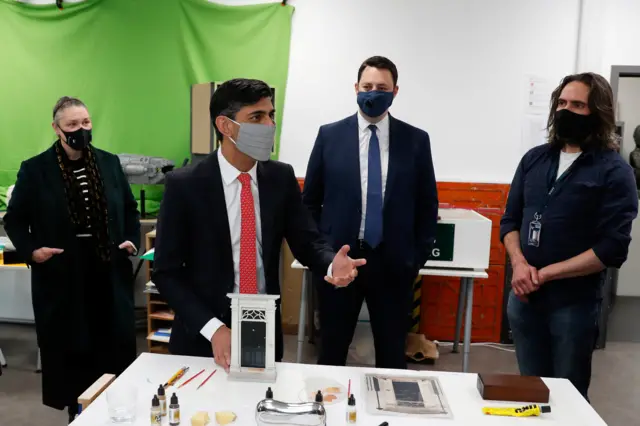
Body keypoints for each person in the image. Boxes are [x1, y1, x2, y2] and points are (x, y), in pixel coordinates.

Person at [152, 78, 365, 370]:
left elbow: (307, 241)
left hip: (262, 322)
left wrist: (331, 264)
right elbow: (166, 273)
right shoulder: (185, 185)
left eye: (271, 115)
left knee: (258, 408)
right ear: (225, 126)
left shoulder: (280, 178)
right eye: (256, 117)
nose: (268, 125)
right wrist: (214, 329)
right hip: (204, 331)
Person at [500, 73, 638, 400]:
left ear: (598, 112)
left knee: (568, 398)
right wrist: (519, 265)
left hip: (573, 306)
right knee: (530, 393)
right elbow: (510, 222)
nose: (566, 110)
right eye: (562, 103)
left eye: (578, 105)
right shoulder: (534, 159)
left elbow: (612, 248)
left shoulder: (614, 171)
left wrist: (546, 274)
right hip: (524, 299)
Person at [3, 96, 140, 422]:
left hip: (108, 272)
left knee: (113, 352)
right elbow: (15, 220)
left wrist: (132, 240)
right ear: (57, 129)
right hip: (63, 275)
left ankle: (114, 413)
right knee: (73, 355)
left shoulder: (109, 163)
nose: (81, 130)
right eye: (73, 125)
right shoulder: (36, 170)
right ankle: (77, 416)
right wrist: (33, 251)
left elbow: (131, 210)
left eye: (86, 123)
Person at [302, 56, 439, 369]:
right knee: (332, 354)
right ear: (355, 88)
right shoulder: (329, 136)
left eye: (381, 87)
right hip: (341, 263)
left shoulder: (416, 140)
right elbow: (309, 202)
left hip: (393, 266)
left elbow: (427, 204)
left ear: (395, 92)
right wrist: (322, 254)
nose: (373, 92)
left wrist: (415, 258)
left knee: (392, 357)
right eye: (367, 86)